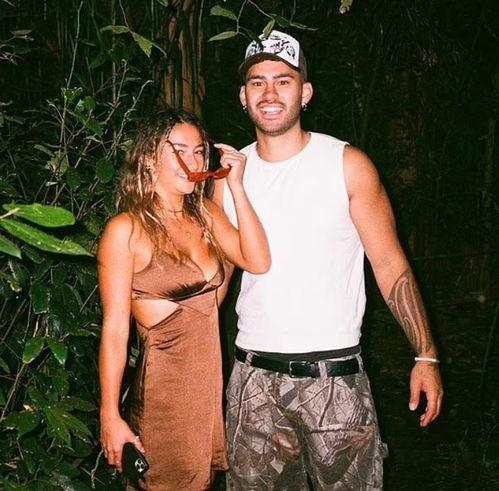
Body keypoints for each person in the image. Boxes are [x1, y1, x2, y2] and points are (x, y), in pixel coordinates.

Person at [214, 30, 443, 490]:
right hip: (252, 381)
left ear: (306, 92)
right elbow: (218, 278)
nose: (270, 93)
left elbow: (390, 265)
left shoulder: (347, 164)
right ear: (243, 96)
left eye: (283, 81)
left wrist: (426, 354)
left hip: (335, 380)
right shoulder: (227, 176)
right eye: (257, 82)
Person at [98, 108, 270, 490]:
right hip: (164, 398)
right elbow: (114, 331)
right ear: (148, 157)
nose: (192, 161)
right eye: (179, 150)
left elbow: (258, 260)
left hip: (206, 393)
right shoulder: (126, 230)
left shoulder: (206, 215)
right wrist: (109, 414)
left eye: (199, 151)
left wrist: (236, 187)